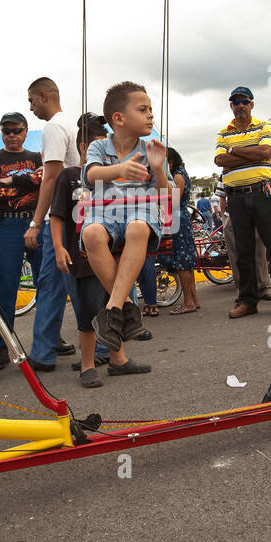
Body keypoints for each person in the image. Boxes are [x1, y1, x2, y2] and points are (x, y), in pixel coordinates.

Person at [50, 113, 151, 387]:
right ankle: (87, 365)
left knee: (112, 305)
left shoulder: (119, 178)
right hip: (82, 255)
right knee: (88, 310)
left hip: (115, 255)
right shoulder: (69, 176)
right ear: (84, 148)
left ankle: (118, 359)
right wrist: (59, 247)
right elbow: (57, 215)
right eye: (97, 145)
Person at [82, 82, 171, 348]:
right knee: (91, 233)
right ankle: (127, 308)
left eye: (151, 109)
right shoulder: (98, 147)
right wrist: (120, 169)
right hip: (105, 210)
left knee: (137, 227)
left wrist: (157, 169)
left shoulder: (152, 149)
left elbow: (164, 192)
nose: (151, 114)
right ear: (118, 118)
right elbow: (90, 175)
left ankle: (111, 311)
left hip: (139, 210)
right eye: (143, 109)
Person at [216, 86, 271, 318]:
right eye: (236, 101)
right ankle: (247, 300)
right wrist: (249, 151)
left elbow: (265, 152)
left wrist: (235, 150)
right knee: (243, 250)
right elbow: (219, 159)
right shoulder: (223, 132)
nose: (240, 105)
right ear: (231, 105)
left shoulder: (264, 126)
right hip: (235, 196)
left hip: (262, 192)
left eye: (244, 101)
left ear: (251, 104)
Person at [25, 78, 81, 371]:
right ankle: (50, 344)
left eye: (32, 100)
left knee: (50, 283)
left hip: (58, 219)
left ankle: (43, 352)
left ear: (44, 96)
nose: (30, 107)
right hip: (74, 216)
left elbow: (52, 178)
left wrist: (36, 222)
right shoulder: (70, 125)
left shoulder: (53, 128)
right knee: (65, 283)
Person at [0, 111, 42, 367]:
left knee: (46, 283)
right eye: (7, 131)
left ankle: (50, 339)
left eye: (16, 130)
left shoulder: (36, 156)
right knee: (5, 286)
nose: (12, 135)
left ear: (25, 130)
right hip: (5, 224)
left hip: (35, 223)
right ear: (1, 132)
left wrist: (13, 180)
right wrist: (27, 182)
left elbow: (44, 181)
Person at [160, 146, 201, 313]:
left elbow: (174, 201)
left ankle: (189, 302)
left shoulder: (177, 176)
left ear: (170, 162)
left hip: (177, 219)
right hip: (181, 218)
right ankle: (193, 300)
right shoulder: (181, 173)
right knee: (187, 262)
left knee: (182, 262)